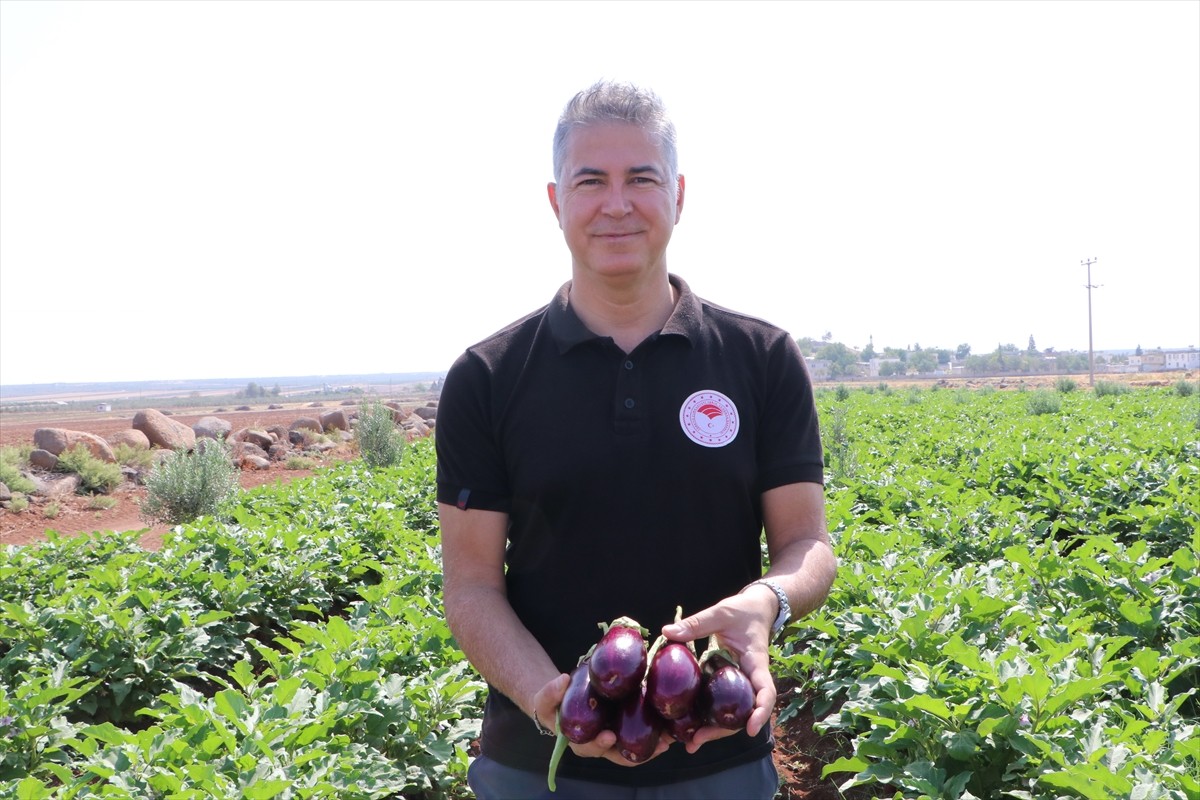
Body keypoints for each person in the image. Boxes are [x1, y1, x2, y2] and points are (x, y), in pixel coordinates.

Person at [436, 80, 836, 799]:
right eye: (591, 181)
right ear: (557, 202)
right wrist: (545, 695)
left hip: (722, 754)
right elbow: (470, 587)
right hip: (541, 767)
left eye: (640, 179)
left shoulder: (762, 357)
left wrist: (769, 601)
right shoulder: (486, 377)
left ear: (678, 195)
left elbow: (808, 545)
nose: (616, 203)